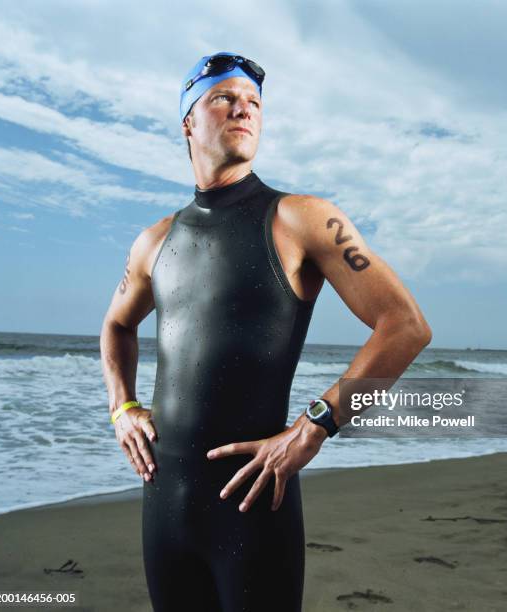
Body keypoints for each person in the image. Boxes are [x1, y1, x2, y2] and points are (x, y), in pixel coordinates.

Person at [100, 51, 432, 612]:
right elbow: (116, 324)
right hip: (163, 508)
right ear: (188, 120)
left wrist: (314, 427)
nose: (243, 110)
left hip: (255, 505)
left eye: (254, 103)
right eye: (224, 98)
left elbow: (405, 327)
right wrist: (121, 406)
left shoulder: (300, 219)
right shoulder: (154, 241)